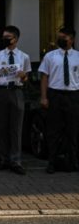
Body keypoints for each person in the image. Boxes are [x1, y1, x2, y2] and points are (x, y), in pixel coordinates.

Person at [0, 25, 31, 175]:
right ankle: (4, 159)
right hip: (1, 92)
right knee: (2, 127)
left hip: (16, 92)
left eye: (8, 37)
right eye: (4, 37)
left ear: (16, 39)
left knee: (16, 128)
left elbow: (26, 77)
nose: (5, 40)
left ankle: (16, 161)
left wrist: (23, 76)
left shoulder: (24, 56)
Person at [39, 27, 79, 174]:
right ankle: (52, 162)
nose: (61, 40)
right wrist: (44, 97)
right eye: (59, 37)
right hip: (55, 94)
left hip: (73, 95)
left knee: (73, 130)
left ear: (72, 39)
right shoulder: (50, 56)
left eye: (64, 37)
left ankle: (73, 161)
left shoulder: (77, 56)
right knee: (53, 131)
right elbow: (44, 77)